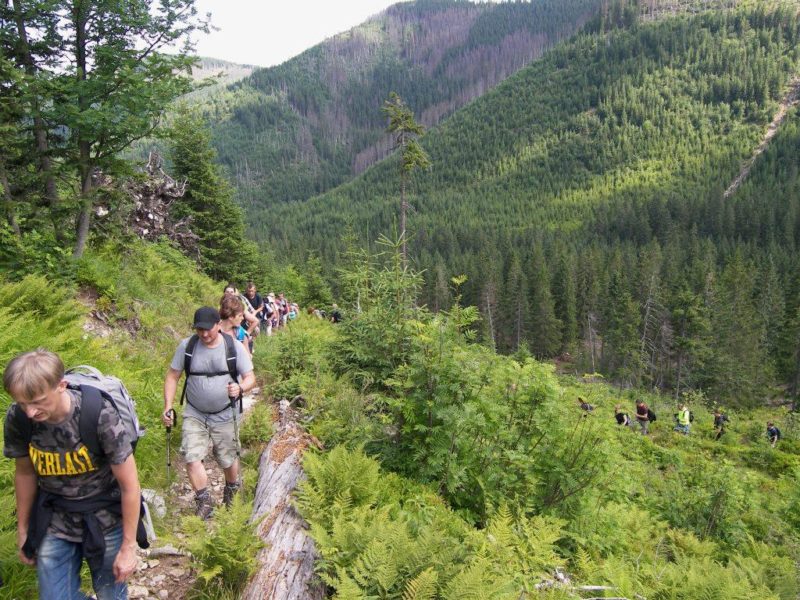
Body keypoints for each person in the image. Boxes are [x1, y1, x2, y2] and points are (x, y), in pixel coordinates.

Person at [3, 349, 141, 599]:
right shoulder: (18, 418)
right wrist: (23, 530)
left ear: (61, 386)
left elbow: (129, 485)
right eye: (23, 403)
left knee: (111, 594)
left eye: (38, 401)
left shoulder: (98, 413)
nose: (30, 412)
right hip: (55, 519)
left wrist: (129, 547)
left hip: (106, 519)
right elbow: (24, 474)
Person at [162, 307, 255, 519]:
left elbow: (250, 377)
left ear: (218, 325)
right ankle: (204, 501)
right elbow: (173, 376)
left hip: (226, 412)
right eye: (199, 330)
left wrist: (240, 388)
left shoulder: (233, 347)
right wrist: (168, 406)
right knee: (192, 455)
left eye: (208, 329)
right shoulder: (187, 346)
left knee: (228, 457)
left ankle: (231, 490)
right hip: (195, 412)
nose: (204, 334)